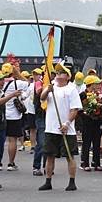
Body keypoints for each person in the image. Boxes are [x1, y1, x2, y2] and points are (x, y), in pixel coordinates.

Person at [39, 63, 82, 191]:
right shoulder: (51, 86)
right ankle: (48, 180)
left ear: (67, 77)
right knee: (49, 155)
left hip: (66, 130)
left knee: (69, 156)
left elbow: (75, 109)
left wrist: (67, 123)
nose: (58, 76)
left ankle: (72, 181)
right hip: (51, 128)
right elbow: (42, 98)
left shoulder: (71, 89)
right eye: (57, 73)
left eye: (61, 73)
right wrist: (47, 90)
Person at [1, 63, 29, 171]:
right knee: (12, 140)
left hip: (2, 114)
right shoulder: (18, 83)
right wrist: (18, 74)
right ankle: (10, 163)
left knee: (0, 140)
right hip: (14, 116)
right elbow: (29, 84)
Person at [79, 75, 102, 171]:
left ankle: (96, 162)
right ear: (91, 84)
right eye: (96, 84)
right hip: (86, 122)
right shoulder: (83, 95)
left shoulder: (98, 95)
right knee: (86, 143)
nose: (98, 85)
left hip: (96, 122)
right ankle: (84, 162)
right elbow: (79, 109)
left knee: (97, 143)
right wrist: (86, 113)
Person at [32, 67, 47, 176]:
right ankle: (36, 166)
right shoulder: (39, 83)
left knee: (49, 143)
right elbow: (38, 92)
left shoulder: (55, 84)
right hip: (41, 116)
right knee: (41, 143)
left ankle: (47, 166)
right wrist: (46, 88)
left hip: (51, 117)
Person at [22, 70, 37, 153]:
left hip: (40, 111)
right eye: (35, 75)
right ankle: (33, 146)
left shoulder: (43, 85)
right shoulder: (31, 86)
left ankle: (40, 145)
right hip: (31, 111)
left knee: (40, 129)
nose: (37, 76)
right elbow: (25, 95)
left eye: (38, 75)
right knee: (32, 129)